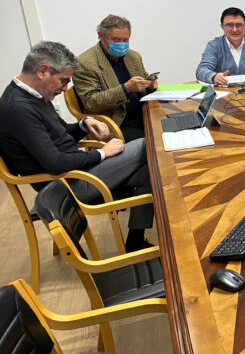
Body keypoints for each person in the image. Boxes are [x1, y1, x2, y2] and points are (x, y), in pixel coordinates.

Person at [0, 42, 155, 252]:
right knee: (150, 143)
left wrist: (83, 124)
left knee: (150, 173)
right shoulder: (19, 108)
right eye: (63, 81)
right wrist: (102, 154)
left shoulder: (36, 95)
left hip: (76, 173)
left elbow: (62, 132)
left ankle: (135, 243)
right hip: (63, 186)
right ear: (43, 71)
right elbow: (55, 163)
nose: (65, 88)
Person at [72, 14, 157, 142]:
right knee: (153, 143)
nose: (122, 45)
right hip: (116, 122)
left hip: (144, 114)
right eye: (116, 40)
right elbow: (91, 101)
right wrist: (125, 89)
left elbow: (143, 84)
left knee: (173, 129)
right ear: (100, 36)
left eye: (125, 40)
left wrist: (150, 86)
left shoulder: (133, 56)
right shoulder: (84, 63)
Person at [195, 7, 245, 86]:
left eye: (239, 25)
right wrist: (213, 77)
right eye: (229, 25)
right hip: (223, 94)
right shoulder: (214, 45)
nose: (234, 29)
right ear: (222, 27)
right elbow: (201, 70)